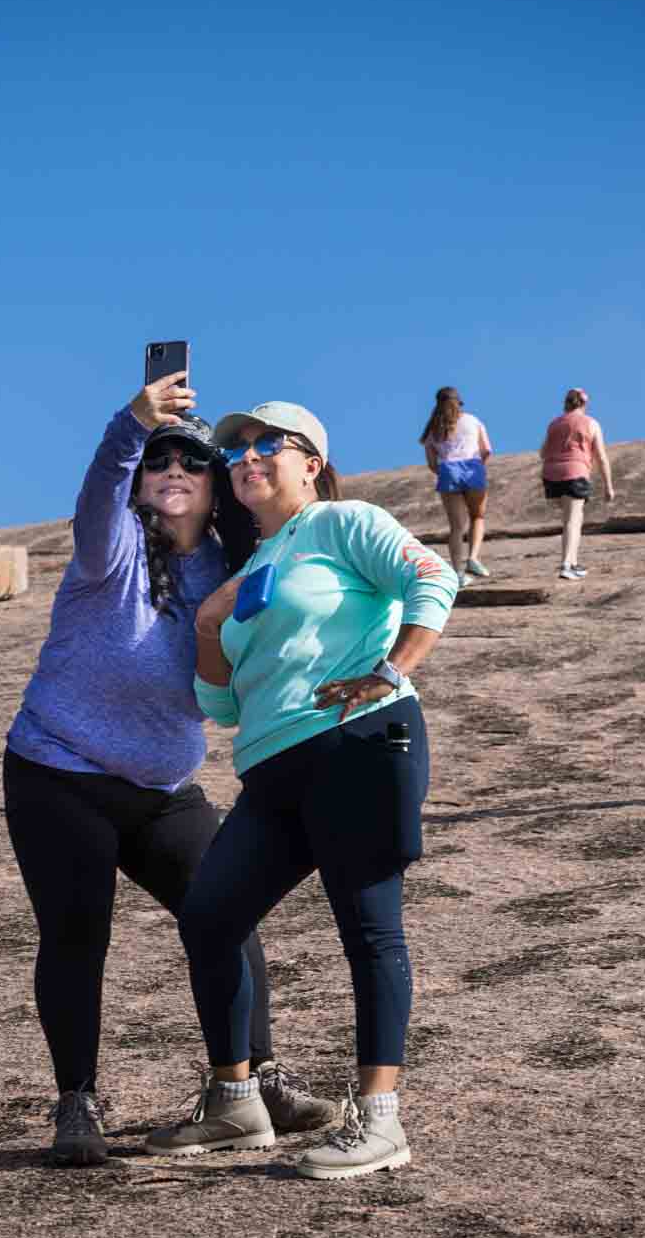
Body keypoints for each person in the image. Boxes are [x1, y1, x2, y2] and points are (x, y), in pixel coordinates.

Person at [4, 372, 335, 1168]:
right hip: (59, 771)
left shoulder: (230, 561)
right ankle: (77, 1100)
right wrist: (131, 425)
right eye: (160, 463)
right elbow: (98, 493)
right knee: (78, 933)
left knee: (227, 908)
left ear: (214, 483)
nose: (175, 471)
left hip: (162, 790)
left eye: (192, 461)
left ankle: (255, 1079)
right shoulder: (109, 546)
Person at [145, 401, 458, 1180]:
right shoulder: (251, 566)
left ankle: (381, 1121)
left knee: (369, 927)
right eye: (237, 448)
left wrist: (394, 668)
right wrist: (212, 629)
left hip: (358, 744)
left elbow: (433, 574)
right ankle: (236, 1102)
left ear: (310, 461)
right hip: (273, 769)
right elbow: (221, 706)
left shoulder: (343, 521)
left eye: (266, 444)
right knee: (211, 914)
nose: (247, 457)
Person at [539, 387, 616, 581]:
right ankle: (566, 565)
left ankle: (573, 562)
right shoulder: (591, 423)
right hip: (575, 472)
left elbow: (543, 452)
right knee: (572, 520)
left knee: (572, 519)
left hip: (551, 475)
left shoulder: (554, 423)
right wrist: (608, 486)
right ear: (583, 404)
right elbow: (601, 456)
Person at [419, 386, 493, 579]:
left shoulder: (433, 428)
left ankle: (458, 572)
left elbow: (432, 463)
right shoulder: (472, 421)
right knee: (477, 516)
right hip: (473, 468)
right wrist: (479, 467)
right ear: (459, 402)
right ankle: (473, 559)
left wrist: (444, 471)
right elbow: (487, 450)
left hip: (448, 471)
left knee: (456, 527)